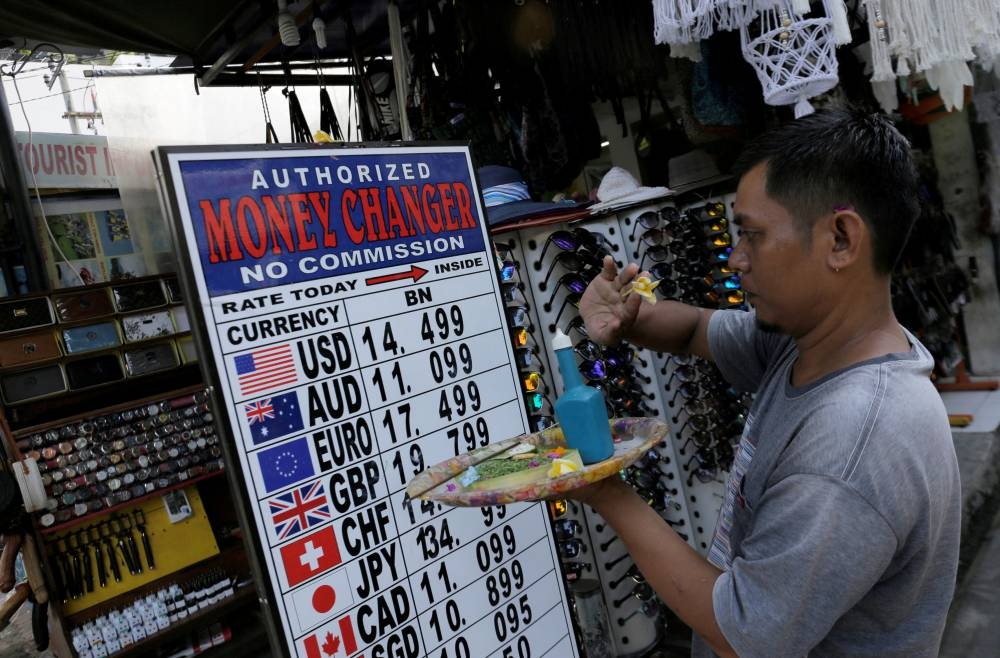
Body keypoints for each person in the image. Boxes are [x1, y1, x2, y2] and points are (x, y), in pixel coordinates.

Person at [575, 109, 961, 657]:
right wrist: (626, 318)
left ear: (842, 240)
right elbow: (694, 330)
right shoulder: (810, 341)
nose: (735, 262)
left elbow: (743, 636)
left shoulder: (852, 441)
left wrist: (605, 490)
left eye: (752, 237)